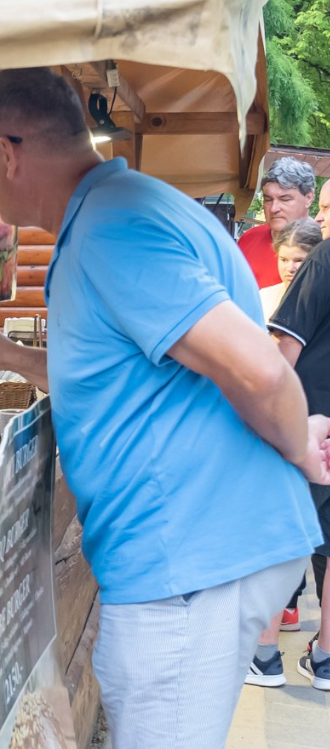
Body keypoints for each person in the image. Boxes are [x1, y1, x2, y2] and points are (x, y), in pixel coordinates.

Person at [0, 67, 329, 748]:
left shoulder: (111, 229)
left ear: (7, 151)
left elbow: (260, 369)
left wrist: (300, 446)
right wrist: (9, 354)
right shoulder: (131, 205)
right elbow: (123, 374)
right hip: (203, 553)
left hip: (188, 560)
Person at [269, 188, 330, 692]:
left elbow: (285, 347)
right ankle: (326, 660)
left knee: (280, 531)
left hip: (309, 422)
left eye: (328, 209)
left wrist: (264, 419)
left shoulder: (324, 258)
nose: (320, 218)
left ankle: (263, 654)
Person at [236, 157, 317, 288]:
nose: (274, 208)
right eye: (268, 199)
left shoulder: (323, 245)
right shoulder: (248, 239)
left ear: (308, 198)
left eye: (285, 199)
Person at [259, 218, 321, 320]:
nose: (290, 268)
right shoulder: (264, 297)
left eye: (299, 260)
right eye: (284, 260)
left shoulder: (324, 302)